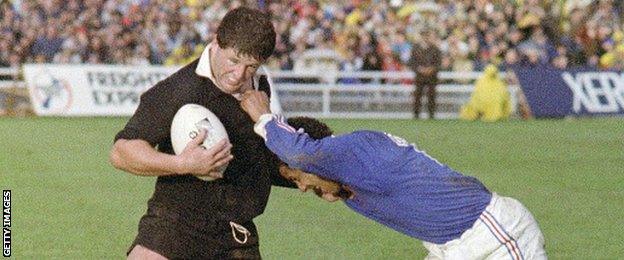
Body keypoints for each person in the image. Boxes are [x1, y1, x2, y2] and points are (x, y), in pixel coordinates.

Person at [239, 90, 547, 259]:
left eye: (297, 179)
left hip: (492, 236)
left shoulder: (356, 148)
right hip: (452, 247)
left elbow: (300, 153)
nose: (303, 187)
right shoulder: (351, 175)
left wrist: (264, 118)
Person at [109, 7, 294, 259]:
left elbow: (256, 158)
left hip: (235, 234)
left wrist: (304, 173)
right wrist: (182, 163)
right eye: (233, 61)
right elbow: (121, 152)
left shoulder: (258, 88)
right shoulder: (179, 90)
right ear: (216, 43)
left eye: (251, 66)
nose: (239, 75)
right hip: (173, 226)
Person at [409, 30, 442, 119]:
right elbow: (412, 62)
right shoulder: (415, 48)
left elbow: (439, 63)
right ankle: (416, 114)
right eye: (424, 36)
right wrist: (419, 69)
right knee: (417, 96)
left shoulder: (435, 49)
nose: (425, 38)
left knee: (431, 96)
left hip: (431, 76)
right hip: (419, 76)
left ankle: (431, 114)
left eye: (427, 36)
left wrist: (431, 69)